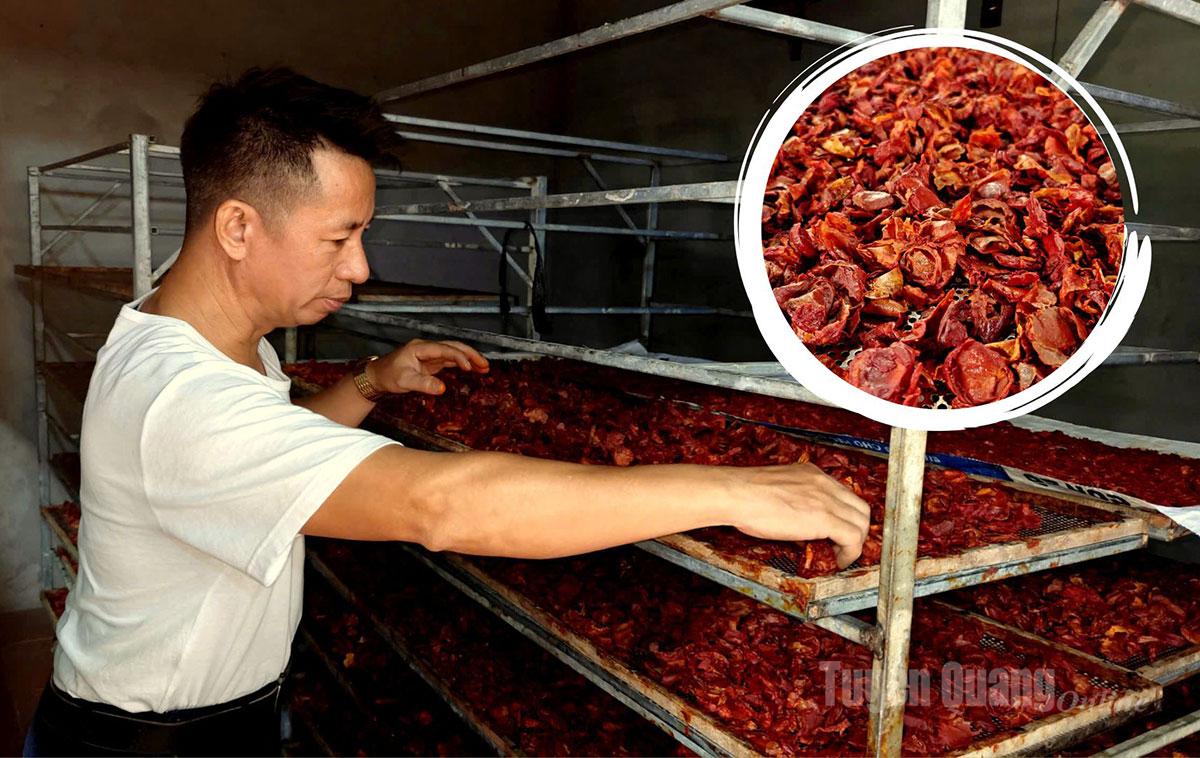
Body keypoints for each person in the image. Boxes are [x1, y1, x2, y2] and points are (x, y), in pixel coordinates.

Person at [25, 67, 870, 756]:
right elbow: (443, 504)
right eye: (339, 236)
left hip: (221, 717)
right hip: (146, 744)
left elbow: (259, 464)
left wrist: (367, 384)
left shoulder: (200, 334)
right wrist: (728, 490)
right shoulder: (182, 399)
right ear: (239, 227)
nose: (360, 267)